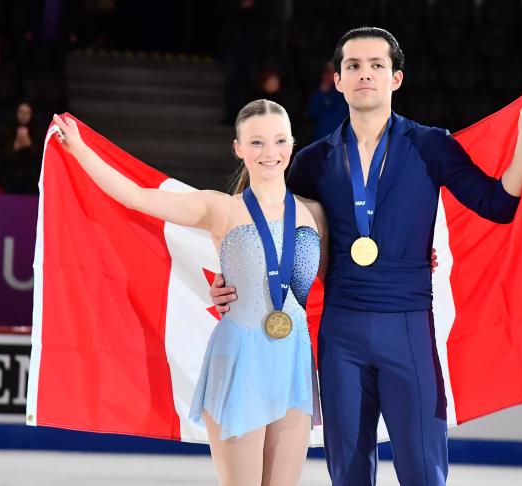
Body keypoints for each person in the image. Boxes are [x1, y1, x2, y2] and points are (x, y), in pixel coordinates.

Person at [210, 27, 522, 486]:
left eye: (376, 65)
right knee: (348, 473)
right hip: (342, 336)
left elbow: (497, 205)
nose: (364, 74)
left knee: (422, 471)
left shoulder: (430, 146)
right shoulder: (313, 161)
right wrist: (229, 277)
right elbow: (269, 226)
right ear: (338, 80)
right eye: (353, 66)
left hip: (408, 327)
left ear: (396, 79)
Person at [51, 99, 328, 486]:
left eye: (280, 141)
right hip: (239, 360)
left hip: (294, 362)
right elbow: (137, 197)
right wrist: (79, 149)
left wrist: (420, 259)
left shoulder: (315, 214)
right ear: (238, 149)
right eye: (257, 143)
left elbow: (352, 275)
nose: (270, 153)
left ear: (292, 144)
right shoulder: (220, 208)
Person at [0, 101, 42, 194]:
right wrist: (15, 146)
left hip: (31, 174)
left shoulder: (37, 130)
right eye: (21, 112)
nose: (24, 116)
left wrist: (30, 145)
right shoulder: (8, 129)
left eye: (27, 113)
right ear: (16, 113)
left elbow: (41, 157)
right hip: (11, 173)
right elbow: (2, 155)